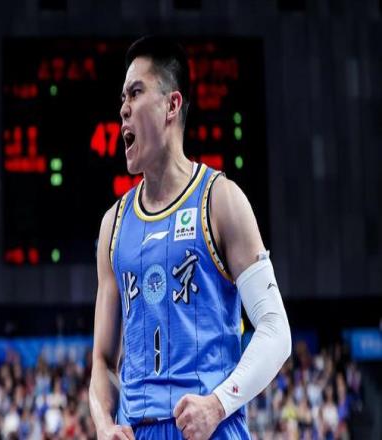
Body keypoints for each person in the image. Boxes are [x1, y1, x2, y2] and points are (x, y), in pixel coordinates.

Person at [89, 36, 292, 440]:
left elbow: (276, 330)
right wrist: (103, 425)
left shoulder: (221, 200)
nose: (123, 108)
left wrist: (218, 403)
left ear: (172, 105)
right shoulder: (113, 225)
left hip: (210, 426)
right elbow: (102, 360)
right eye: (122, 98)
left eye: (136, 93)